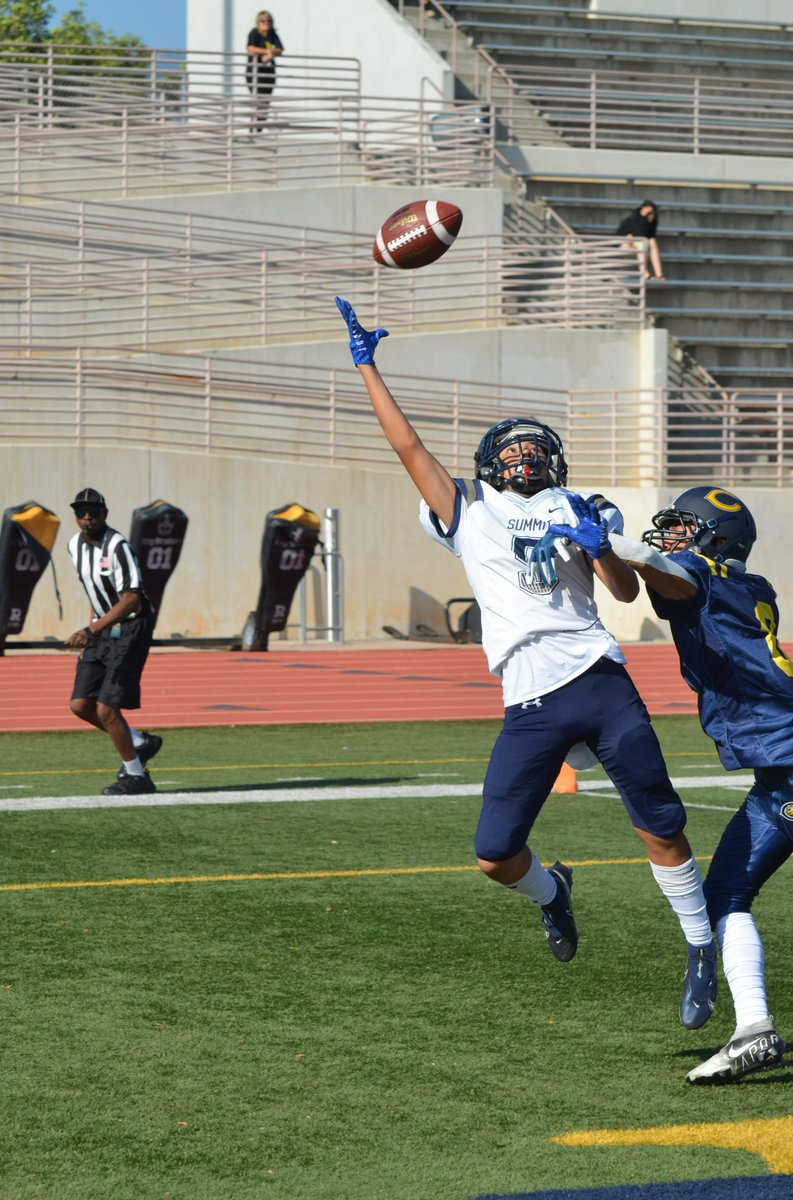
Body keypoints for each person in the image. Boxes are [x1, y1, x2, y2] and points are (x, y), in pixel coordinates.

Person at [335, 296, 717, 1029]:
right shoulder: (469, 508)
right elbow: (409, 448)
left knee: (660, 823)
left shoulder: (580, 504)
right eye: (508, 450)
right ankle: (552, 892)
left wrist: (600, 546)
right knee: (493, 853)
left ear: (554, 459)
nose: (522, 456)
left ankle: (700, 947)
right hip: (530, 698)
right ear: (488, 465)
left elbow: (624, 592)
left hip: (598, 678)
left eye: (532, 448)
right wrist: (368, 369)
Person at [600, 487, 787, 1084]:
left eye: (684, 528)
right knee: (725, 894)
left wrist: (603, 538)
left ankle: (755, 1026)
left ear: (715, 539)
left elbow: (663, 568)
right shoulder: (749, 587)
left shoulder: (706, 578)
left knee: (728, 895)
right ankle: (753, 1029)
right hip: (779, 774)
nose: (672, 536)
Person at [64, 488, 161, 796]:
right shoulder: (73, 546)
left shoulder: (118, 546)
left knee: (107, 708)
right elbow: (94, 591)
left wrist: (90, 630)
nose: (87, 517)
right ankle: (140, 742)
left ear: (104, 513)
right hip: (101, 627)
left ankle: (137, 777)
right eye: (80, 512)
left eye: (93, 511)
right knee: (81, 705)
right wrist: (93, 628)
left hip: (130, 628)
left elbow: (131, 599)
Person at [246, 11, 283, 135]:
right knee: (258, 99)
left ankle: (258, 129)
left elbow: (280, 48)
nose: (266, 23)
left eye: (269, 21)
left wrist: (271, 54)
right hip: (255, 72)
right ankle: (254, 129)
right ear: (258, 22)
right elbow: (250, 48)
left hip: (269, 72)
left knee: (265, 101)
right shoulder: (254, 33)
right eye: (263, 21)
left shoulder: (273, 34)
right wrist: (267, 52)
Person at [617, 199, 665, 281]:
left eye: (653, 213)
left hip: (637, 243)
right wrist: (644, 216)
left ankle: (659, 274)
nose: (651, 215)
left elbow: (650, 236)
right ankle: (644, 273)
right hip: (624, 243)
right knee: (639, 241)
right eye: (649, 213)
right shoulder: (634, 219)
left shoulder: (653, 222)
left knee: (652, 241)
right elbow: (638, 233)